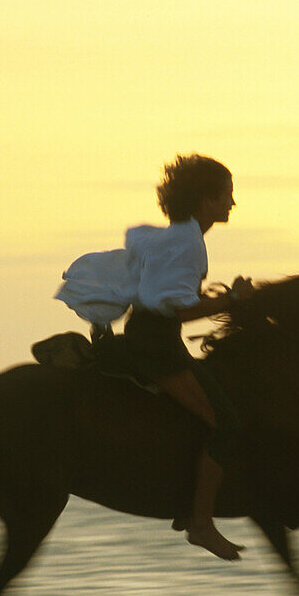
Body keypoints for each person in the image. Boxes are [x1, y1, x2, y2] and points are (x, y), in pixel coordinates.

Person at [55, 154, 253, 561]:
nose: (233, 203)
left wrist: (213, 297)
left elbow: (164, 297)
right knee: (228, 425)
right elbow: (177, 311)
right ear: (205, 203)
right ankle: (200, 523)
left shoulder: (174, 237)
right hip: (156, 348)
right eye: (227, 196)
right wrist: (232, 301)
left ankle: (187, 502)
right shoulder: (190, 244)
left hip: (153, 340)